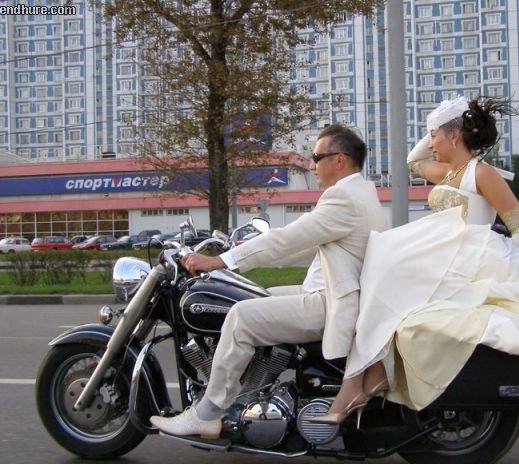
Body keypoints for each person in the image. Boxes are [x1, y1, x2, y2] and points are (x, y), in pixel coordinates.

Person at [312, 96, 519, 424]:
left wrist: (497, 264)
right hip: (440, 254)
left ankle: (359, 381)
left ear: (455, 136)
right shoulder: (448, 171)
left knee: (383, 265)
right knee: (378, 267)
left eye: (435, 135)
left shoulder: (481, 173)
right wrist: (442, 122)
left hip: (463, 260)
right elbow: (413, 160)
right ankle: (369, 372)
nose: (431, 143)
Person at [150, 123, 387, 437]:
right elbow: (305, 246)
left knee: (241, 316)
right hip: (334, 291)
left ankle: (209, 411)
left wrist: (220, 261)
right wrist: (241, 255)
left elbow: (286, 239)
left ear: (340, 159)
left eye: (317, 157)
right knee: (256, 295)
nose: (311, 165)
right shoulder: (361, 192)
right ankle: (251, 389)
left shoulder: (343, 198)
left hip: (332, 302)